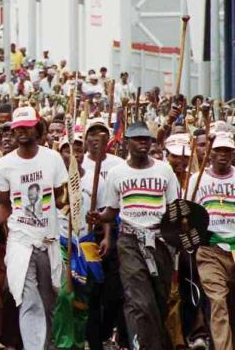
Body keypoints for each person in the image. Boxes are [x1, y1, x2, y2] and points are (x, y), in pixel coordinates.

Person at [0, 106, 68, 350]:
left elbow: (61, 197)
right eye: (17, 128)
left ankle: (46, 344)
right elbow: (6, 206)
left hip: (48, 240)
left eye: (26, 127)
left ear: (37, 128)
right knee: (28, 300)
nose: (21, 131)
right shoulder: (5, 165)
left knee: (49, 299)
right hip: (20, 241)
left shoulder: (52, 158)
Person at [87, 121, 180, 350]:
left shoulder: (164, 170)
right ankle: (141, 345)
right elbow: (111, 211)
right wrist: (99, 218)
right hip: (129, 241)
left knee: (159, 299)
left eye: (146, 139)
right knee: (139, 300)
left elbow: (175, 209)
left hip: (159, 240)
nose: (143, 143)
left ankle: (158, 343)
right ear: (126, 143)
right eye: (137, 139)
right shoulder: (117, 173)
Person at [188, 131, 235, 350]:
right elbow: (186, 214)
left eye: (228, 151)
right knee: (217, 302)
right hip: (210, 250)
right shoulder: (196, 181)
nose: (223, 155)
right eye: (218, 151)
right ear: (210, 152)